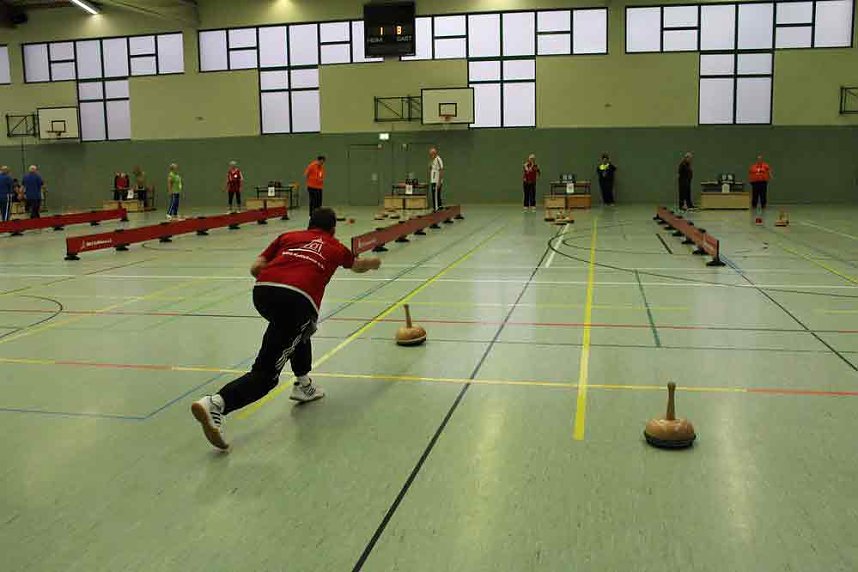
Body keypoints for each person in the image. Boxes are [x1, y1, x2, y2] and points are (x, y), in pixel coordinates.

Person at [190, 208, 382, 450]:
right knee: (266, 376)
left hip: (263, 292)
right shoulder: (335, 246)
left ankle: (304, 385)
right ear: (333, 229)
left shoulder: (288, 236)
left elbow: (255, 268)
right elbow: (358, 265)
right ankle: (216, 404)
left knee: (301, 331)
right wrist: (373, 263)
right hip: (298, 301)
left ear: (309, 224)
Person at [429, 147, 445, 211]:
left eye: (431, 154)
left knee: (435, 195)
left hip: (436, 181)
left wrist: (439, 182)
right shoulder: (433, 160)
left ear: (434, 153)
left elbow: (441, 170)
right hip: (433, 180)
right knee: (436, 195)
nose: (430, 156)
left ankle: (436, 208)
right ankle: (439, 206)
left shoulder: (438, 159)